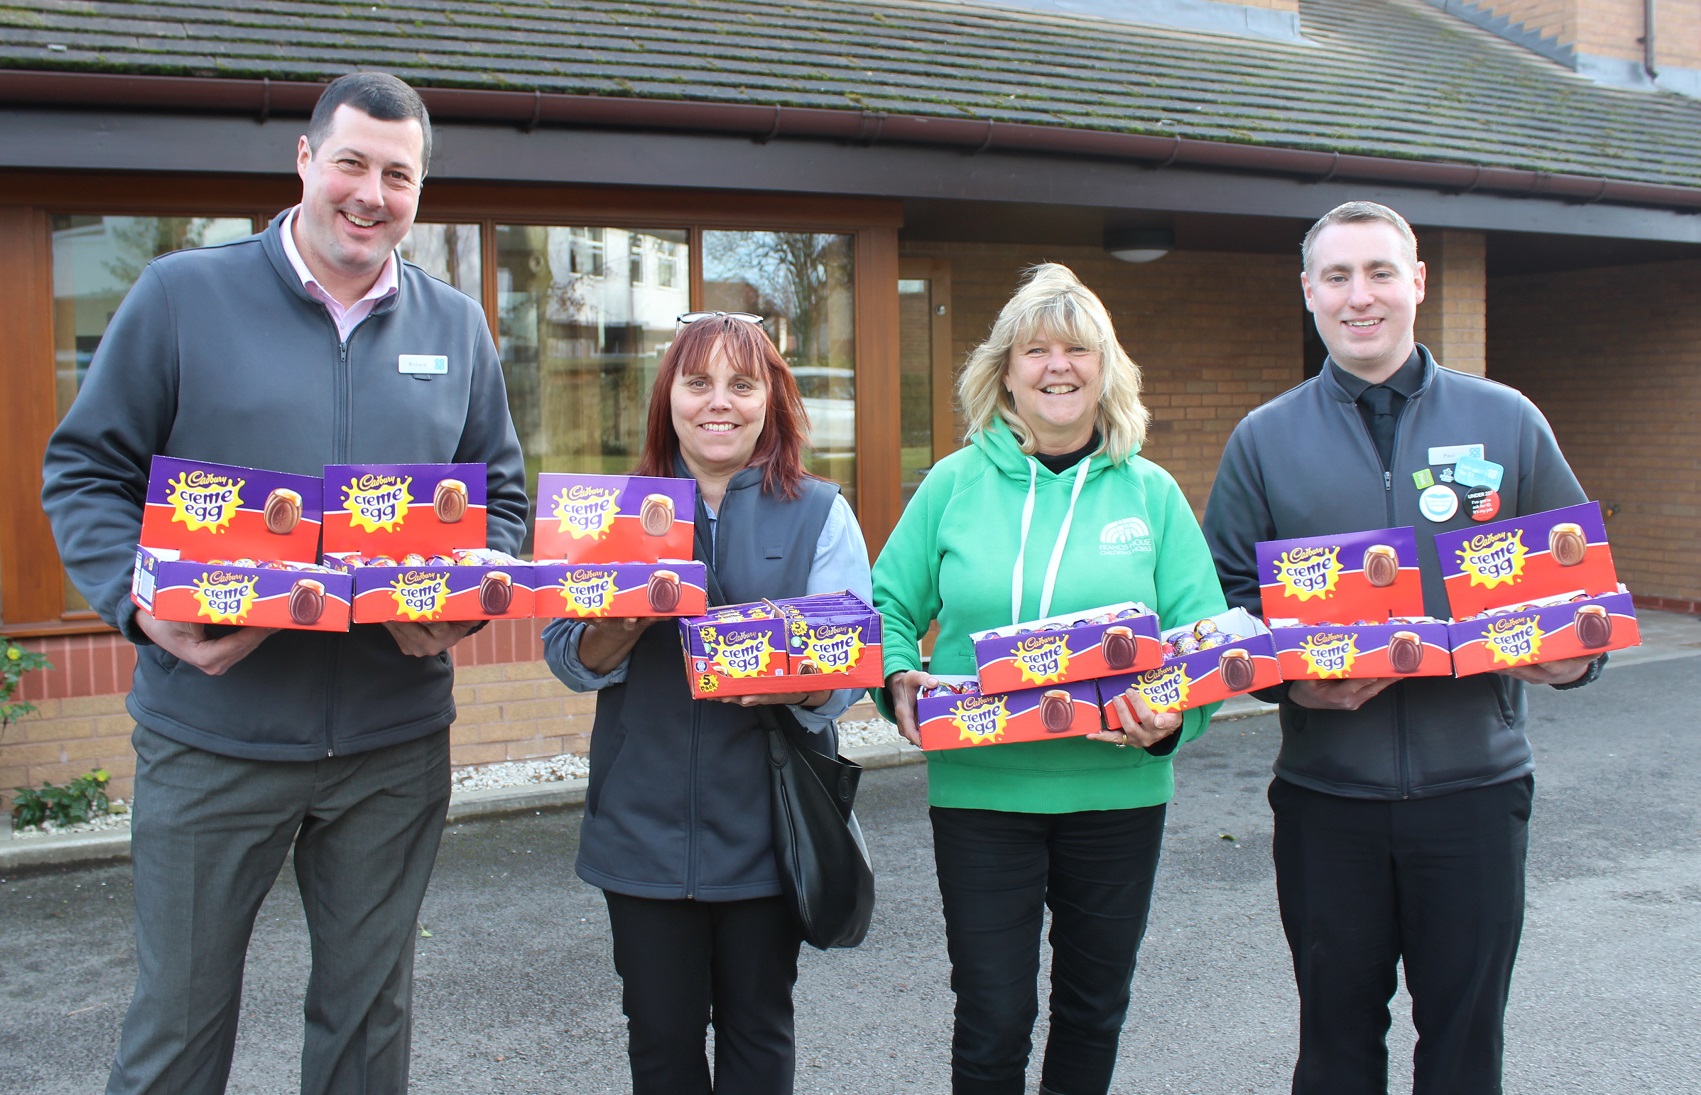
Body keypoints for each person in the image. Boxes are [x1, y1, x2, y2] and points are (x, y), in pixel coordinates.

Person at [40, 73, 527, 1095]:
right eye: (351, 161)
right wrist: (139, 608)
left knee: (366, 1024)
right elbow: (85, 473)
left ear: (420, 190)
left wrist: (455, 611)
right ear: (305, 161)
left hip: (392, 746)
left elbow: (501, 505)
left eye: (398, 174)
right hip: (214, 733)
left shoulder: (456, 327)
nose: (371, 193)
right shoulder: (182, 296)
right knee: (176, 1029)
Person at [1203, 200, 1604, 1095]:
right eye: (1337, 276)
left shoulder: (1507, 421)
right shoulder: (1262, 441)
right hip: (1325, 799)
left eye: (1379, 272)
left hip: (1474, 793)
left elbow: (1578, 588)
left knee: (1463, 1049)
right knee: (1335, 1046)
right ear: (1308, 291)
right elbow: (1223, 605)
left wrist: (1576, 656)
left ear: (1416, 283)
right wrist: (1290, 690)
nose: (1360, 297)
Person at [873, 263, 1228, 1095]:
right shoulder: (953, 485)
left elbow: (1203, 643)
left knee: (1092, 1007)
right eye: (1036, 349)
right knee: (993, 1014)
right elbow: (887, 601)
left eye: (1077, 348)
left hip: (1115, 796)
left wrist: (1170, 719)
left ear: (1106, 370)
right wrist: (895, 676)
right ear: (1004, 371)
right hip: (982, 794)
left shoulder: (1152, 493)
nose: (1057, 366)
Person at [541, 312, 872, 1095]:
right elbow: (566, 657)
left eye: (741, 383)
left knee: (760, 1034)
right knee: (659, 1045)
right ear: (669, 399)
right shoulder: (612, 512)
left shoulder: (821, 512)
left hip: (767, 831)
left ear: (770, 399)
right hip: (641, 832)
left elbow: (848, 671)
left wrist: (800, 679)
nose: (717, 403)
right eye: (697, 383)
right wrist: (617, 628)